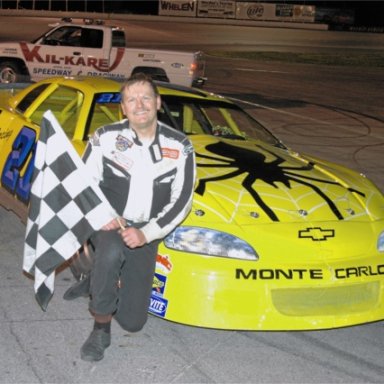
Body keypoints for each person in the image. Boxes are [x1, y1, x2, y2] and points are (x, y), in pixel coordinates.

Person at [64, 73, 196, 362]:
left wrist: (146, 233)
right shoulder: (106, 137)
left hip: (145, 229)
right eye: (131, 99)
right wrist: (101, 216)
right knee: (110, 253)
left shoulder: (181, 146)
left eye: (146, 98)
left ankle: (95, 278)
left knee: (133, 322)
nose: (140, 105)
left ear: (158, 103)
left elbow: (183, 200)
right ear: (122, 107)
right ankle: (100, 328)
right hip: (109, 221)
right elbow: (83, 183)